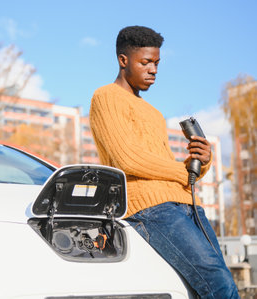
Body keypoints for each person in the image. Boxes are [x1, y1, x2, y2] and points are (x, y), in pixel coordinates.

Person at [89, 25, 239, 298]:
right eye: (145, 62)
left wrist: (201, 162)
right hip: (149, 208)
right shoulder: (106, 97)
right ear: (123, 60)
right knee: (218, 283)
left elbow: (164, 166)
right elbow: (128, 158)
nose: (153, 70)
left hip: (186, 205)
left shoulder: (154, 113)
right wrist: (184, 173)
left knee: (210, 282)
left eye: (157, 63)